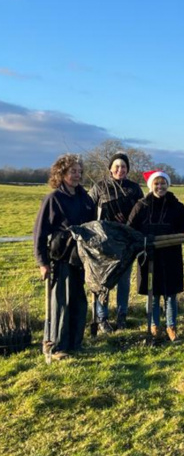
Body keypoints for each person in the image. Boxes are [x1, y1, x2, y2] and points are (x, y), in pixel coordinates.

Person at [33, 154, 96, 361]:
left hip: (81, 258)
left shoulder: (85, 198)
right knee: (61, 302)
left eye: (79, 171)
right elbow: (40, 233)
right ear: (61, 174)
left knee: (79, 300)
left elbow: (93, 225)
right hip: (61, 257)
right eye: (73, 171)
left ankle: (75, 343)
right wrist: (42, 262)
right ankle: (58, 346)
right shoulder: (54, 199)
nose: (77, 175)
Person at [127, 170, 184, 341]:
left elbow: (183, 226)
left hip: (171, 255)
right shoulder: (141, 205)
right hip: (149, 255)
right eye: (157, 183)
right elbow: (130, 228)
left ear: (168, 185)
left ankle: (171, 326)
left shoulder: (177, 206)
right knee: (152, 293)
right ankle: (154, 325)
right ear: (151, 185)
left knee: (171, 293)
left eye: (163, 183)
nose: (160, 186)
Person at [88, 152, 144, 332]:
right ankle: (102, 317)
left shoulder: (134, 188)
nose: (120, 169)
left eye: (124, 167)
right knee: (103, 281)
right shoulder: (100, 187)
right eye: (117, 166)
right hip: (105, 243)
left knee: (124, 281)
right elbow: (88, 209)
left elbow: (142, 212)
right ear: (110, 168)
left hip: (127, 243)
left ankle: (122, 316)